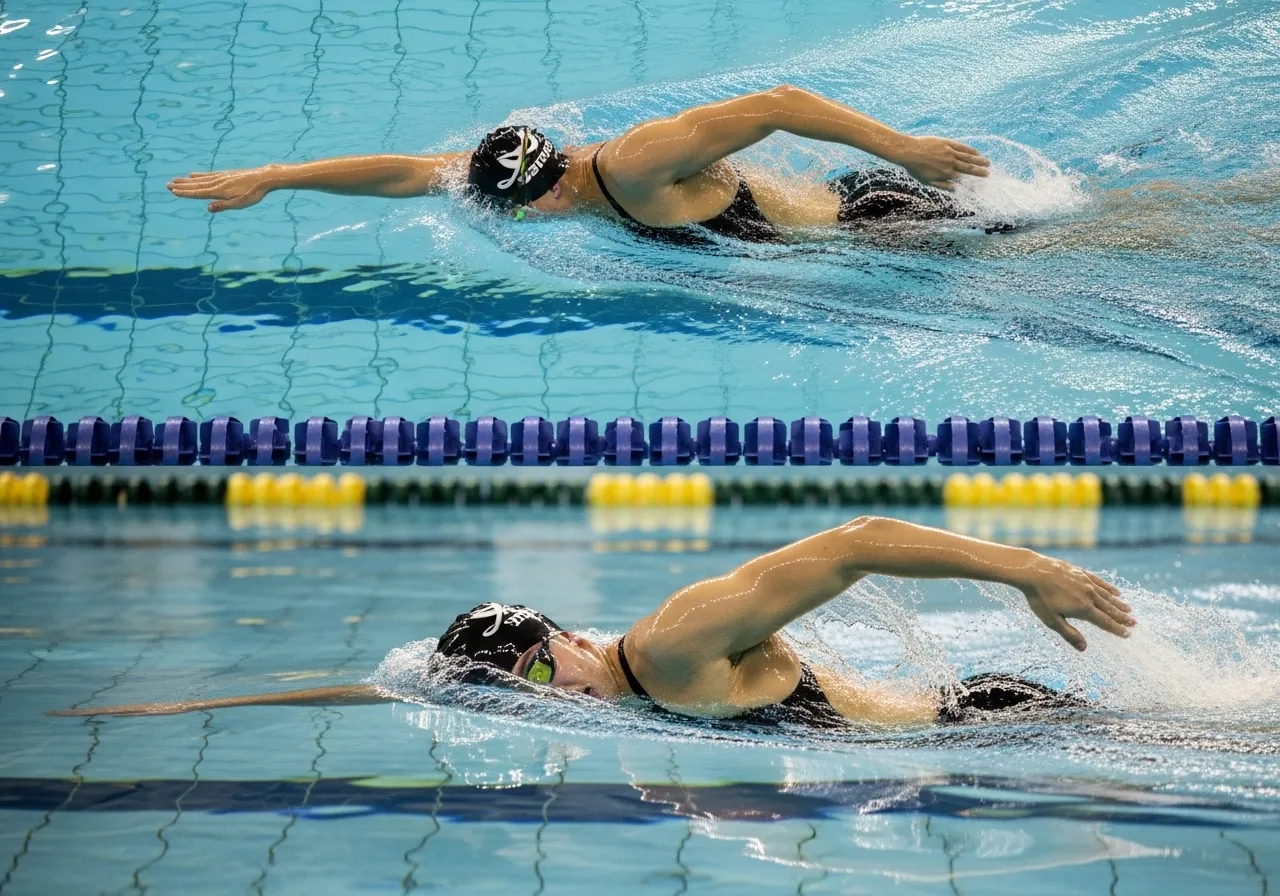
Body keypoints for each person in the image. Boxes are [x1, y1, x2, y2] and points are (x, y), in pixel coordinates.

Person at [51, 516, 1135, 728]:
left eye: (539, 664)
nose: (546, 690)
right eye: (518, 688)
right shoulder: (617, 682)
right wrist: (199, 702)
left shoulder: (667, 647)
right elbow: (391, 685)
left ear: (565, 634)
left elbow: (848, 543)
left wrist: (1024, 570)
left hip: (990, 722)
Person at [166, 84, 994, 243]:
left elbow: (777, 103)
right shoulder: (528, 173)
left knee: (1074, 233)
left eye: (522, 211)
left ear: (552, 183)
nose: (519, 220)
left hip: (877, 220)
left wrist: (906, 149)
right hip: (851, 231)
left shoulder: (635, 166)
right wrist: (275, 177)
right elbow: (409, 171)